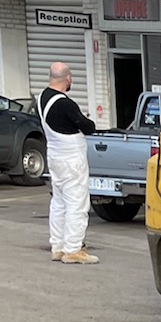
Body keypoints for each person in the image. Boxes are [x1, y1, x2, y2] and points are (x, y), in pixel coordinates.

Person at [38, 62, 97, 263]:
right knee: (77, 203)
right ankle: (73, 249)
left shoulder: (42, 98)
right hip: (72, 159)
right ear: (68, 78)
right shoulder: (65, 104)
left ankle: (58, 246)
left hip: (54, 157)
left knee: (59, 202)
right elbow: (87, 127)